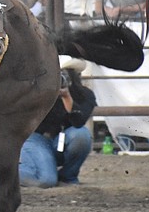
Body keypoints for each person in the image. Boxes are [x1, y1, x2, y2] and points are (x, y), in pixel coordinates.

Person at [18, 59, 95, 188]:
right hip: (37, 138)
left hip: (63, 138)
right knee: (46, 181)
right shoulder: (35, 91)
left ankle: (68, 177)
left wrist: (67, 97)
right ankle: (8, 174)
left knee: (82, 135)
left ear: (73, 77)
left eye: (64, 74)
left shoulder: (85, 95)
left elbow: (78, 121)